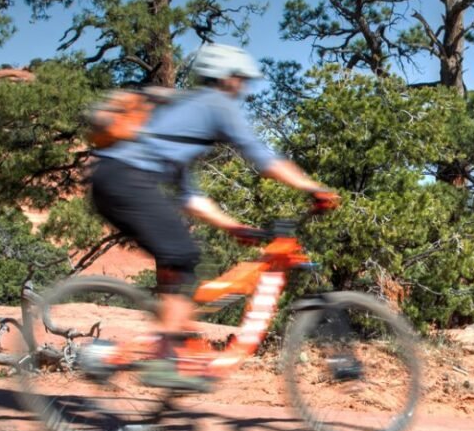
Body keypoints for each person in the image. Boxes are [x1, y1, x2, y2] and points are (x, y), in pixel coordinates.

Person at [88, 43, 339, 392]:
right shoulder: (216, 103)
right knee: (183, 254)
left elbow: (190, 198)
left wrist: (232, 226)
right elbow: (263, 159)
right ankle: (167, 360)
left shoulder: (187, 117)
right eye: (242, 80)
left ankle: (172, 348)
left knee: (177, 260)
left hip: (111, 180)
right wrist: (314, 187)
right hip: (125, 180)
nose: (244, 88)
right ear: (228, 78)